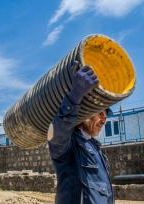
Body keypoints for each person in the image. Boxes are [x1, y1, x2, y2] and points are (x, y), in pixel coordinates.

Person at [47, 62, 114, 204]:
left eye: (106, 115)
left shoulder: (95, 147)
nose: (104, 120)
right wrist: (74, 96)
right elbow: (56, 134)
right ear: (86, 113)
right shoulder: (69, 145)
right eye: (100, 114)